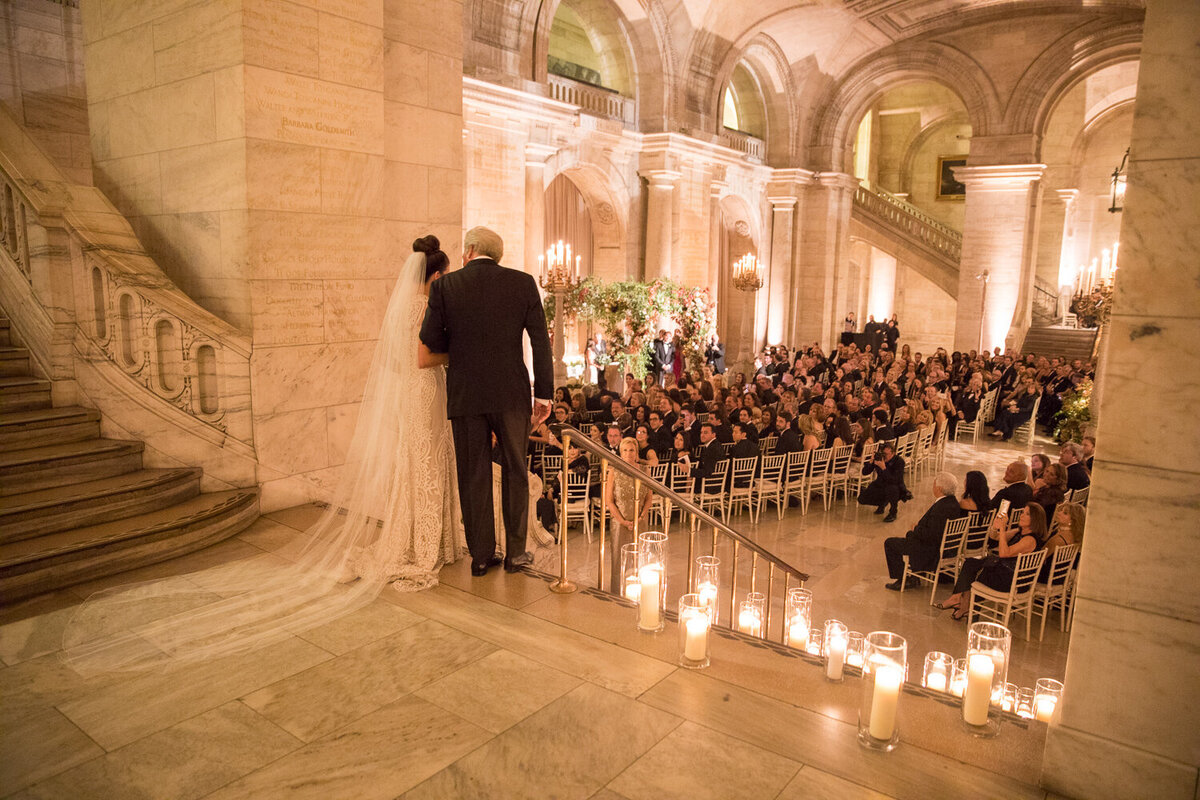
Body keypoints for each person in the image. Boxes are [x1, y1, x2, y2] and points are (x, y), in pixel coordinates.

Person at [62, 236, 468, 674]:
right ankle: (428, 546)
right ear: (437, 274)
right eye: (444, 276)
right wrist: (453, 355)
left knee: (415, 463)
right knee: (428, 460)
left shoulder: (400, 308)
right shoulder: (425, 308)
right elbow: (426, 359)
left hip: (410, 394)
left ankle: (419, 539)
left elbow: (392, 363)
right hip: (426, 391)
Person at [421, 226, 554, 576]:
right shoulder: (523, 283)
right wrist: (544, 395)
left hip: (465, 393)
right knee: (515, 470)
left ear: (470, 250)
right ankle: (515, 554)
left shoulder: (444, 287)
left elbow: (431, 340)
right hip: (511, 394)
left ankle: (481, 556)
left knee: (473, 473)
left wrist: (466, 348)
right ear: (496, 255)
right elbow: (541, 342)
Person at [941, 504, 1047, 619]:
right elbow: (994, 537)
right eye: (1023, 512)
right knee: (970, 563)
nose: (1021, 516)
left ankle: (966, 608)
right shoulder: (1020, 532)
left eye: (1027, 514)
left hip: (1012, 582)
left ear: (1035, 520)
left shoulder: (1030, 540)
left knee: (977, 573)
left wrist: (1002, 528)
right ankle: (963, 605)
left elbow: (1004, 553)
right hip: (1007, 572)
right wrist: (995, 527)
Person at [882, 472, 966, 590]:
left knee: (890, 543)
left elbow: (930, 535)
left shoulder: (941, 508)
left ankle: (903, 579)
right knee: (907, 537)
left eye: (934, 483)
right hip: (946, 548)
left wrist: (915, 528)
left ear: (939, 488)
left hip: (929, 550)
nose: (933, 486)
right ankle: (913, 575)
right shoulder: (954, 504)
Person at [604, 437, 652, 592]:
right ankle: (619, 592)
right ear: (620, 452)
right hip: (620, 522)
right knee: (620, 559)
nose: (628, 453)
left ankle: (640, 591)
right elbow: (609, 500)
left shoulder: (645, 470)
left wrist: (641, 517)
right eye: (625, 450)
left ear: (636, 452)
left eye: (632, 450)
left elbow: (649, 498)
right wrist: (623, 522)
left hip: (641, 520)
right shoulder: (614, 471)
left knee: (641, 557)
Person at [856, 441, 908, 522]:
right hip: (880, 484)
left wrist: (884, 468)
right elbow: (865, 472)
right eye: (883, 453)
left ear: (893, 453)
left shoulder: (899, 461)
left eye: (886, 454)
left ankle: (893, 512)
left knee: (891, 489)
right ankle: (882, 503)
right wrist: (871, 462)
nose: (885, 456)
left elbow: (894, 480)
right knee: (861, 499)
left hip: (895, 486)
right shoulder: (880, 458)